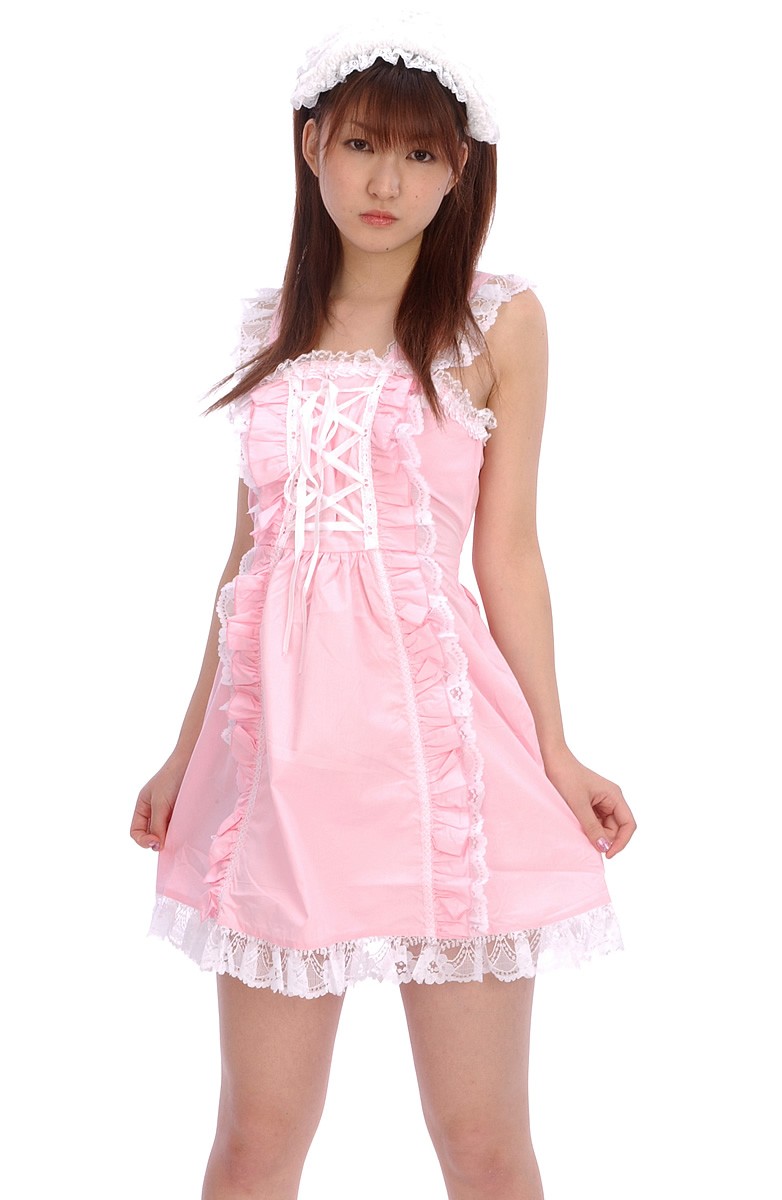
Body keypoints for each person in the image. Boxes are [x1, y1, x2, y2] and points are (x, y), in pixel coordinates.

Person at [131, 16, 636, 1199]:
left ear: (459, 172)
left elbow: (508, 553)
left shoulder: (497, 320)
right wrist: (184, 750)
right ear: (312, 145)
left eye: (419, 156)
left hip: (438, 755)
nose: (385, 182)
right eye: (362, 145)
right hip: (280, 766)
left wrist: (556, 750)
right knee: (254, 1140)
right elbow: (247, 565)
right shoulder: (273, 329)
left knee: (481, 1143)